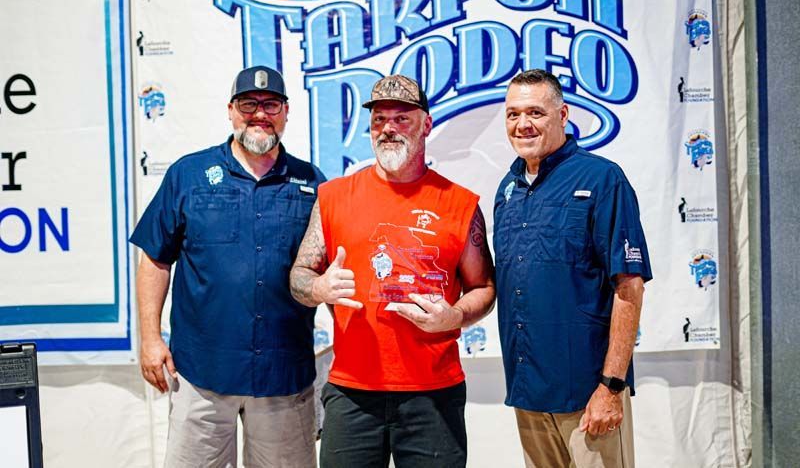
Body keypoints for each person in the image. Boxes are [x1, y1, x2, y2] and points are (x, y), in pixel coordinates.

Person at [290, 74, 496, 467]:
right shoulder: (333, 197)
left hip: (433, 393)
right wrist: (318, 287)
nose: (388, 128)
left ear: (426, 125)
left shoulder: (460, 204)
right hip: (352, 391)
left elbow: (484, 287)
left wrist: (454, 316)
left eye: (401, 118)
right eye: (379, 119)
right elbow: (299, 274)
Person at [130, 66, 326, 467]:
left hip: (283, 377)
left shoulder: (313, 183)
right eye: (248, 104)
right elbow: (154, 257)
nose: (259, 113)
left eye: (270, 104)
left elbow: (332, 270)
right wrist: (150, 338)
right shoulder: (189, 174)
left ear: (286, 112)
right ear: (231, 111)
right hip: (201, 374)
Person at [494, 69, 652, 468]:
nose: (523, 124)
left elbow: (629, 286)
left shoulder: (602, 179)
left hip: (588, 397)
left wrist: (611, 387)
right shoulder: (507, 190)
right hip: (528, 393)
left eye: (535, 113)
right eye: (513, 114)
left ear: (562, 116)